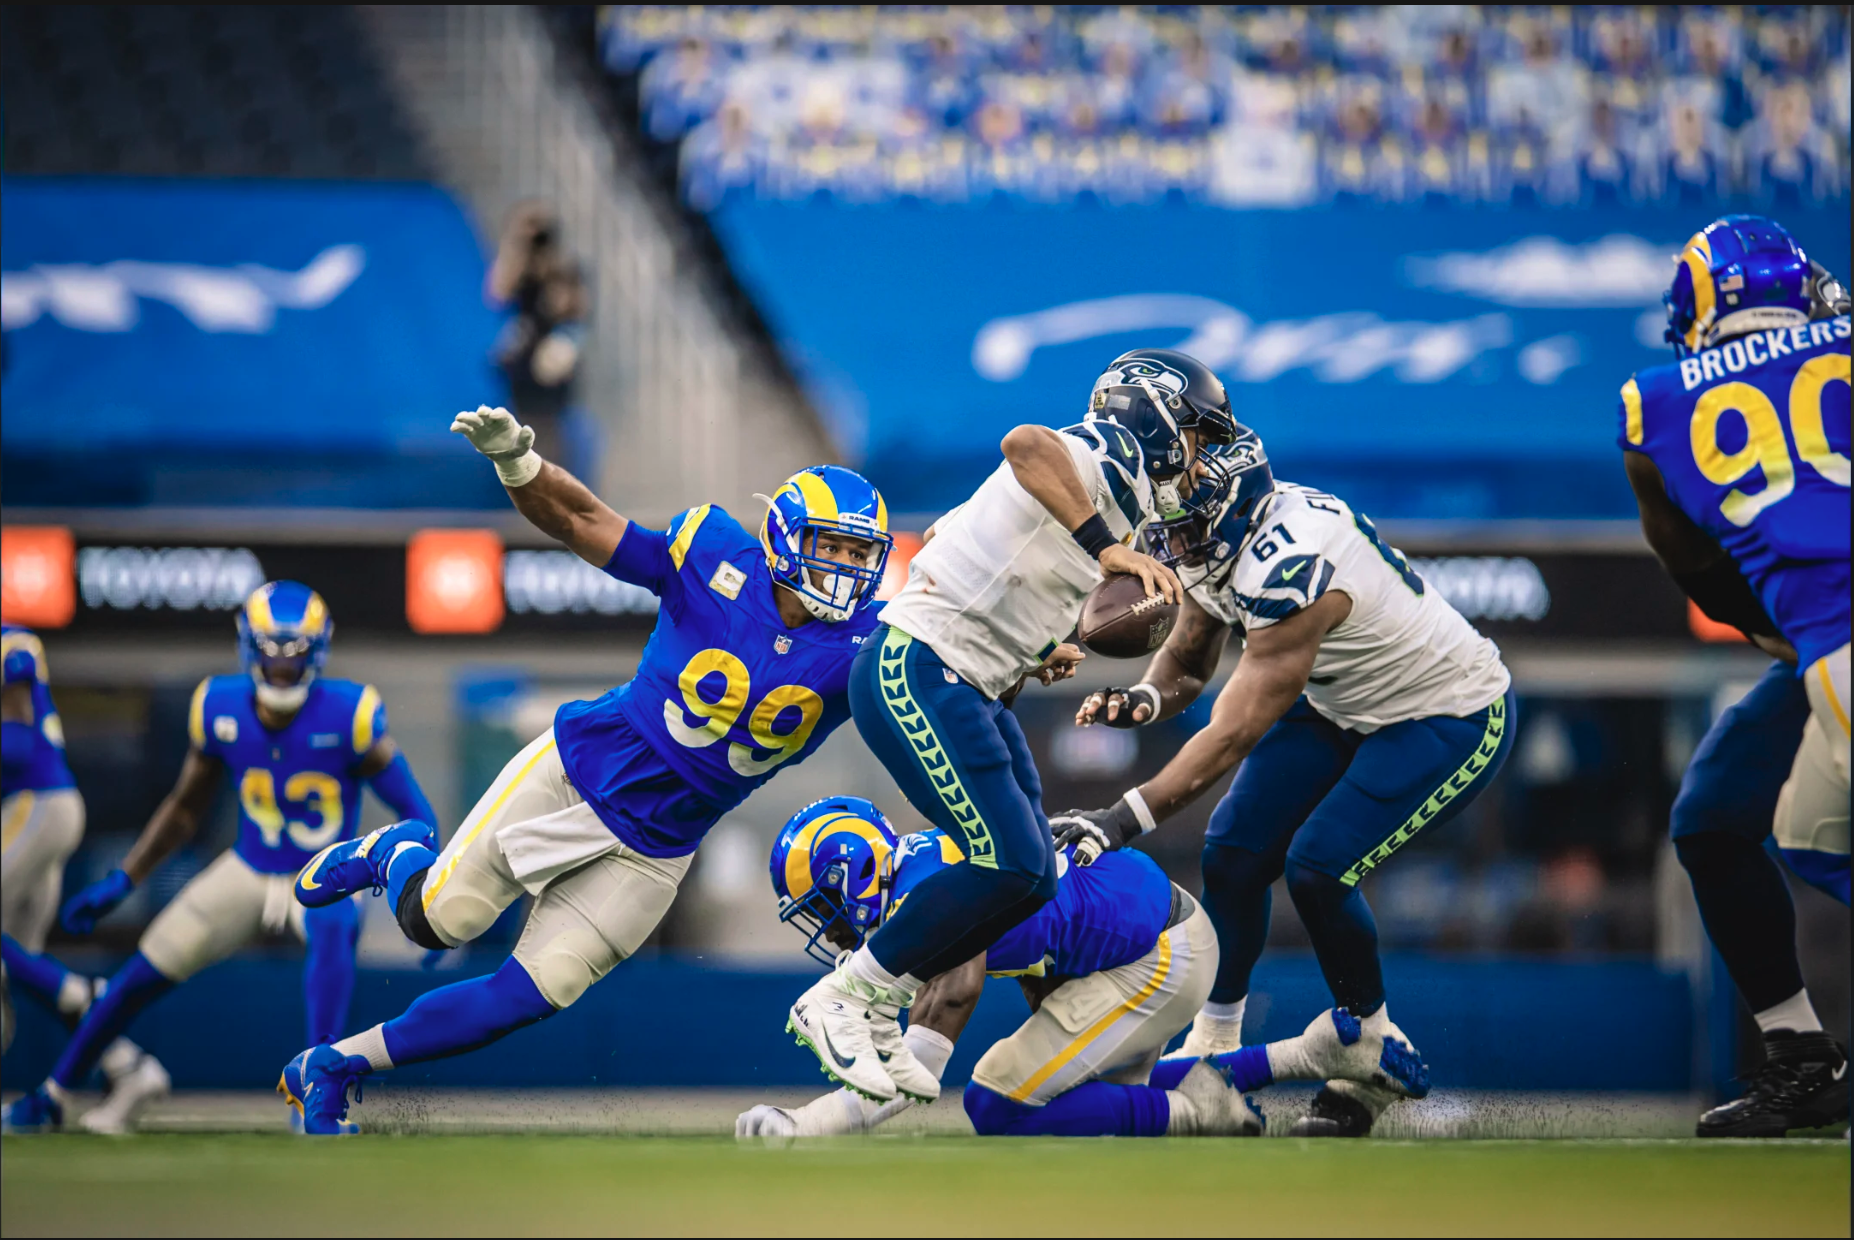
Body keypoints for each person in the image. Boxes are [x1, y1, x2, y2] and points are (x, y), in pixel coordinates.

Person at [276, 405, 894, 1134]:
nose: (850, 569)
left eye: (863, 555)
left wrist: (1039, 648)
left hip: (659, 848)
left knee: (531, 993)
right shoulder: (714, 556)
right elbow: (584, 522)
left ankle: (333, 1064)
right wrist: (520, 466)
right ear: (788, 536)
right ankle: (397, 852)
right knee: (441, 922)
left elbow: (953, 681)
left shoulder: (874, 641)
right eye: (836, 548)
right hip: (578, 770)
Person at [784, 348, 1235, 1106]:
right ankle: (847, 994)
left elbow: (967, 547)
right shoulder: (1110, 450)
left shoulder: (1113, 496)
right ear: (1158, 415)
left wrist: (1032, 644)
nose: (1199, 458)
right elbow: (1025, 443)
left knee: (1029, 877)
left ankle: (880, 1007)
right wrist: (1109, 548)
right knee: (1009, 860)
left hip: (969, 682)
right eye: (1196, 434)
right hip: (918, 669)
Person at [1051, 420, 1515, 1138]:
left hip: (1445, 713)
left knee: (1319, 867)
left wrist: (1120, 817)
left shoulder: (1291, 563)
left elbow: (1234, 731)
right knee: (1233, 851)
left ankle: (1366, 1046)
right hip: (1341, 699)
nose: (1174, 544)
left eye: (1187, 529)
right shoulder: (1220, 535)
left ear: (1231, 509)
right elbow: (1190, 658)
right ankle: (1215, 1040)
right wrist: (1145, 697)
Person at [2, 583, 435, 1134]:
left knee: (333, 928)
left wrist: (423, 894)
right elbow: (184, 809)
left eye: (294, 651)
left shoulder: (350, 713)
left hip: (323, 872)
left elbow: (415, 812)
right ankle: (55, 1095)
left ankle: (317, 1094)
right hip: (248, 868)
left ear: (316, 651)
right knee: (141, 971)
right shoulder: (219, 705)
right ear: (249, 648)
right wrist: (124, 877)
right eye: (271, 650)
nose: (282, 665)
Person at [738, 797, 1427, 1139]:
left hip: (1158, 952)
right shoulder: (923, 864)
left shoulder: (927, 893)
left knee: (996, 1100)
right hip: (1145, 941)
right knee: (1063, 1091)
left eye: (825, 908)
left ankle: (1195, 1111)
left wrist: (810, 1125)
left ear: (856, 878)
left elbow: (916, 1070)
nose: (829, 929)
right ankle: (1311, 1050)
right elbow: (1046, 946)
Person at [1619, 214, 1849, 1137]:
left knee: (1815, 839)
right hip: (1828, 648)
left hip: (1825, 643)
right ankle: (1803, 1059)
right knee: (1725, 817)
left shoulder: (1654, 405)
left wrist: (1771, 630)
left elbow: (1694, 569)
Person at [2, 625, 167, 1132]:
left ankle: (78, 992)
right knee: (14, 966)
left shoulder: (13, 646)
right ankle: (124, 1062)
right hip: (33, 808)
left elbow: (20, 738)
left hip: (38, 803)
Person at [487, 201, 590, 472]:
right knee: (521, 432)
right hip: (523, 360)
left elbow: (573, 308)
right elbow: (497, 294)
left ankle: (555, 481)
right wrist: (516, 246)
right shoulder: (518, 267)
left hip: (552, 360)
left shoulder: (563, 267)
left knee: (550, 432)